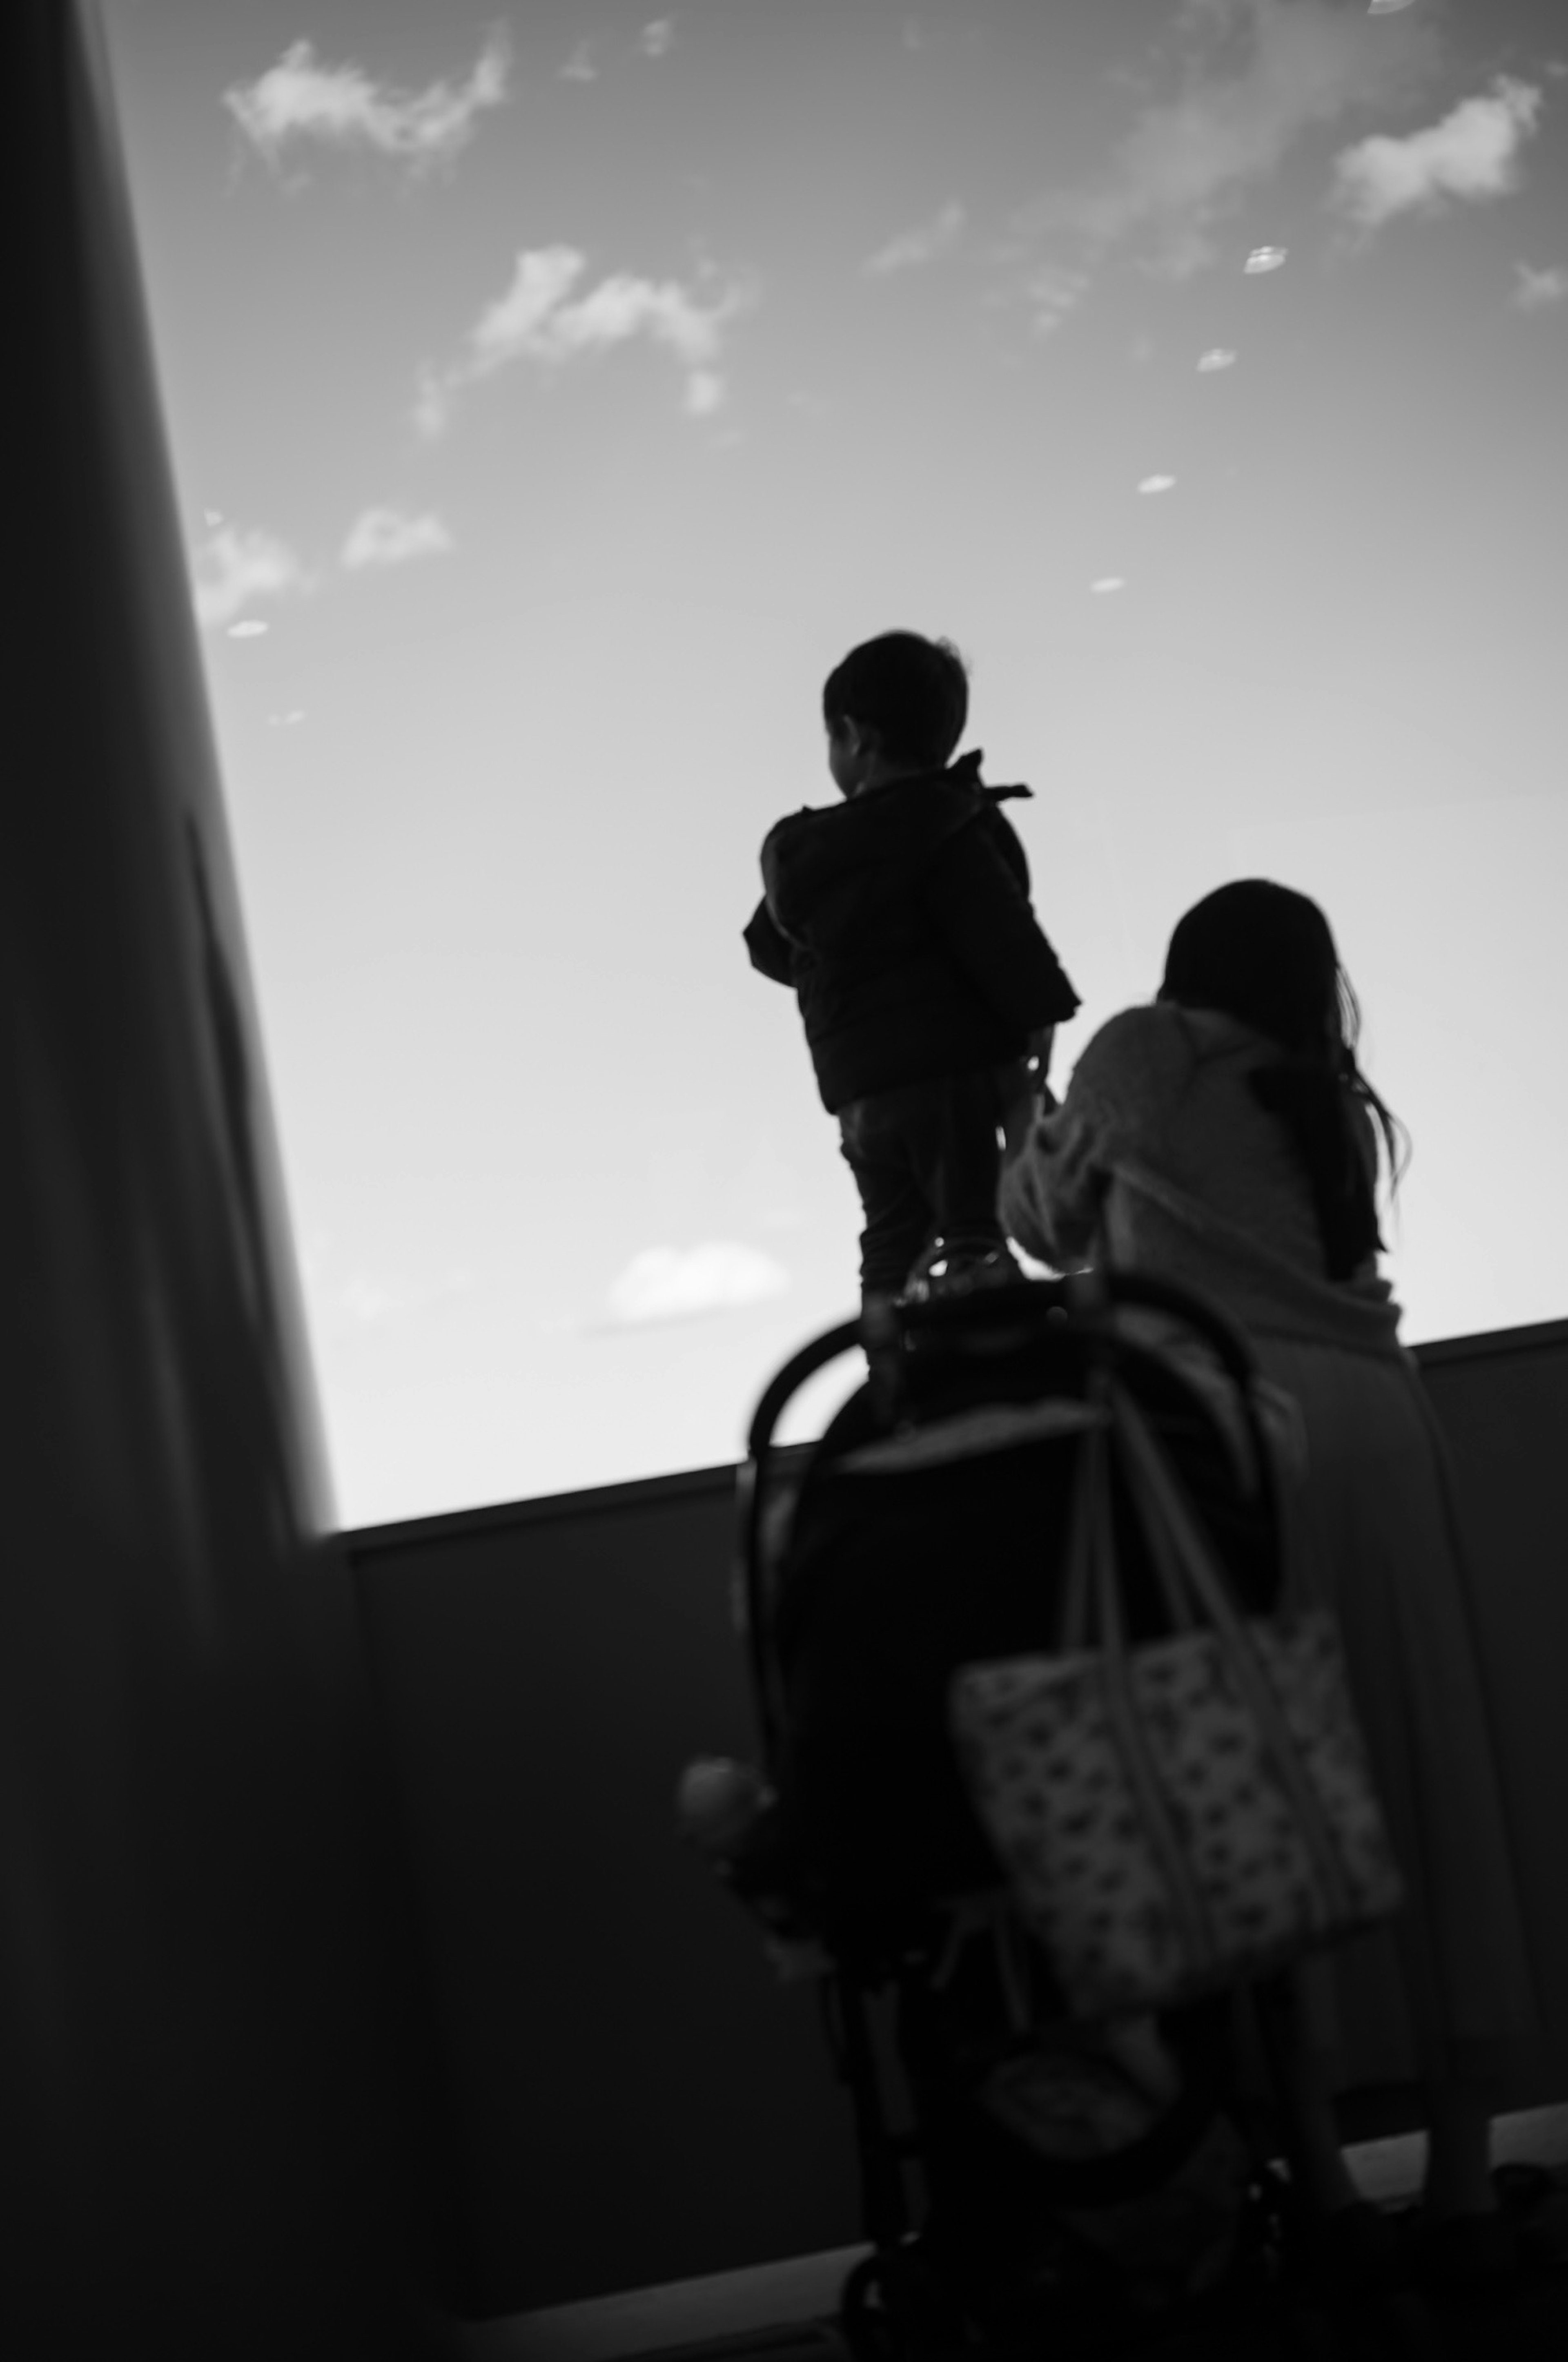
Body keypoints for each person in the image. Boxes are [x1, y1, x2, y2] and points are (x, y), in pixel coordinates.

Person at [997, 879, 1545, 2297]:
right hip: (1380, 1425)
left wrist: (1019, 1131)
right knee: (1429, 1776)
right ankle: (1467, 2179)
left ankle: (1323, 2179)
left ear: (1189, 963)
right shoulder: (1321, 1098)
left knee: (1270, 1789)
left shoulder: (1142, 1048)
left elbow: (1050, 1227)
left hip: (1234, 1441)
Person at [744, 630, 1080, 1303]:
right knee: (971, 1234)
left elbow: (771, 946)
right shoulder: (954, 824)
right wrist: (1032, 1057)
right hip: (955, 1075)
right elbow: (1010, 949)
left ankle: (893, 1374)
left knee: (891, 1236)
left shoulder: (808, 854)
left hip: (861, 1093)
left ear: (852, 735)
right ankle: (989, 1377)